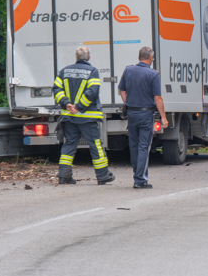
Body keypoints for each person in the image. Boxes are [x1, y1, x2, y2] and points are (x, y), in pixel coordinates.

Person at [53, 46, 115, 185]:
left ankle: (64, 176)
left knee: (69, 144)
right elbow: (92, 92)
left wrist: (67, 104)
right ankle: (102, 175)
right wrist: (79, 107)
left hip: (69, 117)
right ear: (89, 58)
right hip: (87, 117)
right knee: (96, 145)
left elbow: (57, 89)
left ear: (76, 57)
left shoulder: (64, 71)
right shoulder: (92, 71)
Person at [118, 46, 168, 189]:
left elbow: (122, 90)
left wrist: (128, 103)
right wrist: (163, 118)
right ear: (150, 57)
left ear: (139, 56)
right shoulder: (153, 74)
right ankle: (140, 180)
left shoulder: (128, 70)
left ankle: (138, 175)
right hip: (145, 115)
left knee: (134, 146)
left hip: (132, 114)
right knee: (143, 147)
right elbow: (157, 98)